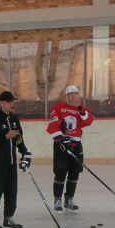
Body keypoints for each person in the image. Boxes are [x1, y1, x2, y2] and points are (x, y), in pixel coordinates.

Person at [0, 91, 31, 228]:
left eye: (13, 101)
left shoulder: (15, 119)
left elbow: (18, 138)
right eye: (10, 101)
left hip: (11, 165)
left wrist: (25, 152)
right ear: (2, 103)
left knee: (12, 193)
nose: (13, 104)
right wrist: (5, 136)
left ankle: (8, 218)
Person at [47, 84, 94, 213]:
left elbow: (88, 121)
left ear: (79, 96)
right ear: (67, 96)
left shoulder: (83, 110)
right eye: (70, 94)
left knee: (74, 173)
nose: (73, 97)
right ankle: (57, 200)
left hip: (76, 145)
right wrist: (60, 138)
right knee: (60, 172)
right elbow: (52, 124)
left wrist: (80, 110)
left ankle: (69, 199)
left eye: (75, 94)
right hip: (61, 144)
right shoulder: (59, 108)